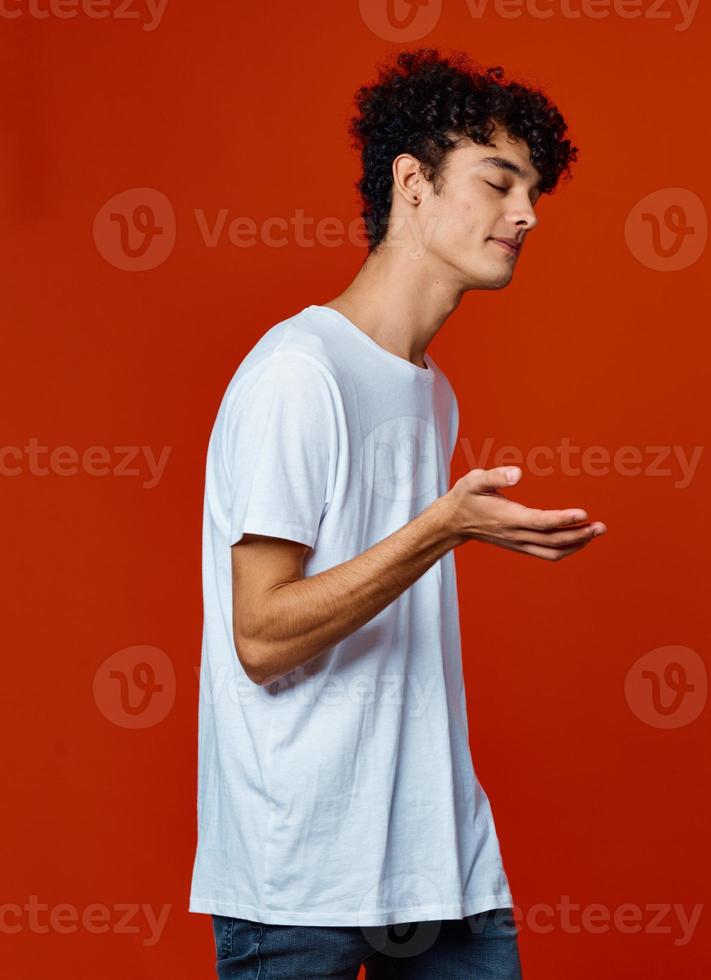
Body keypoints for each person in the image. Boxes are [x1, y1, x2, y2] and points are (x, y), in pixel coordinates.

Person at [190, 48, 603, 979]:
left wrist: (446, 528)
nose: (527, 213)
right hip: (302, 887)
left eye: (534, 190)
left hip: (438, 864)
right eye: (499, 182)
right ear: (411, 184)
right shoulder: (301, 373)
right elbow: (259, 634)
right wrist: (442, 528)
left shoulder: (431, 391)